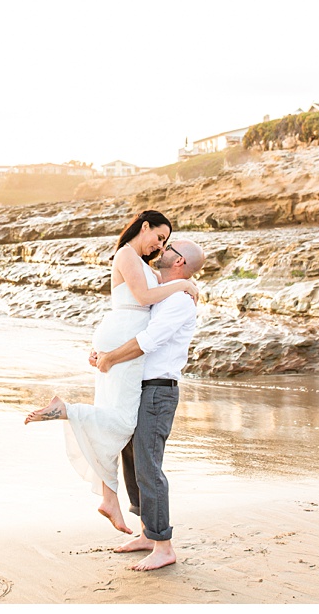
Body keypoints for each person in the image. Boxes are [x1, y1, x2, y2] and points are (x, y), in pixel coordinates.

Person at [24, 211, 198, 534]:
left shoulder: (143, 264)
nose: (161, 246)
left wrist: (186, 282)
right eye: (159, 237)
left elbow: (166, 285)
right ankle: (66, 412)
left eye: (166, 243)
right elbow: (146, 298)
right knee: (122, 421)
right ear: (143, 226)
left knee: (119, 420)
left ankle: (110, 498)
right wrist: (185, 284)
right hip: (124, 341)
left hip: (122, 338)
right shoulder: (126, 254)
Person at [93, 238, 206, 571]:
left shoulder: (180, 302)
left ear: (179, 261)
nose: (161, 251)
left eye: (168, 248)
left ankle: (163, 544)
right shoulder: (165, 294)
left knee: (148, 467)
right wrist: (103, 352)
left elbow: (148, 341)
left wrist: (111, 358)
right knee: (131, 462)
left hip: (158, 392)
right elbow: (130, 325)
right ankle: (146, 533)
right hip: (137, 388)